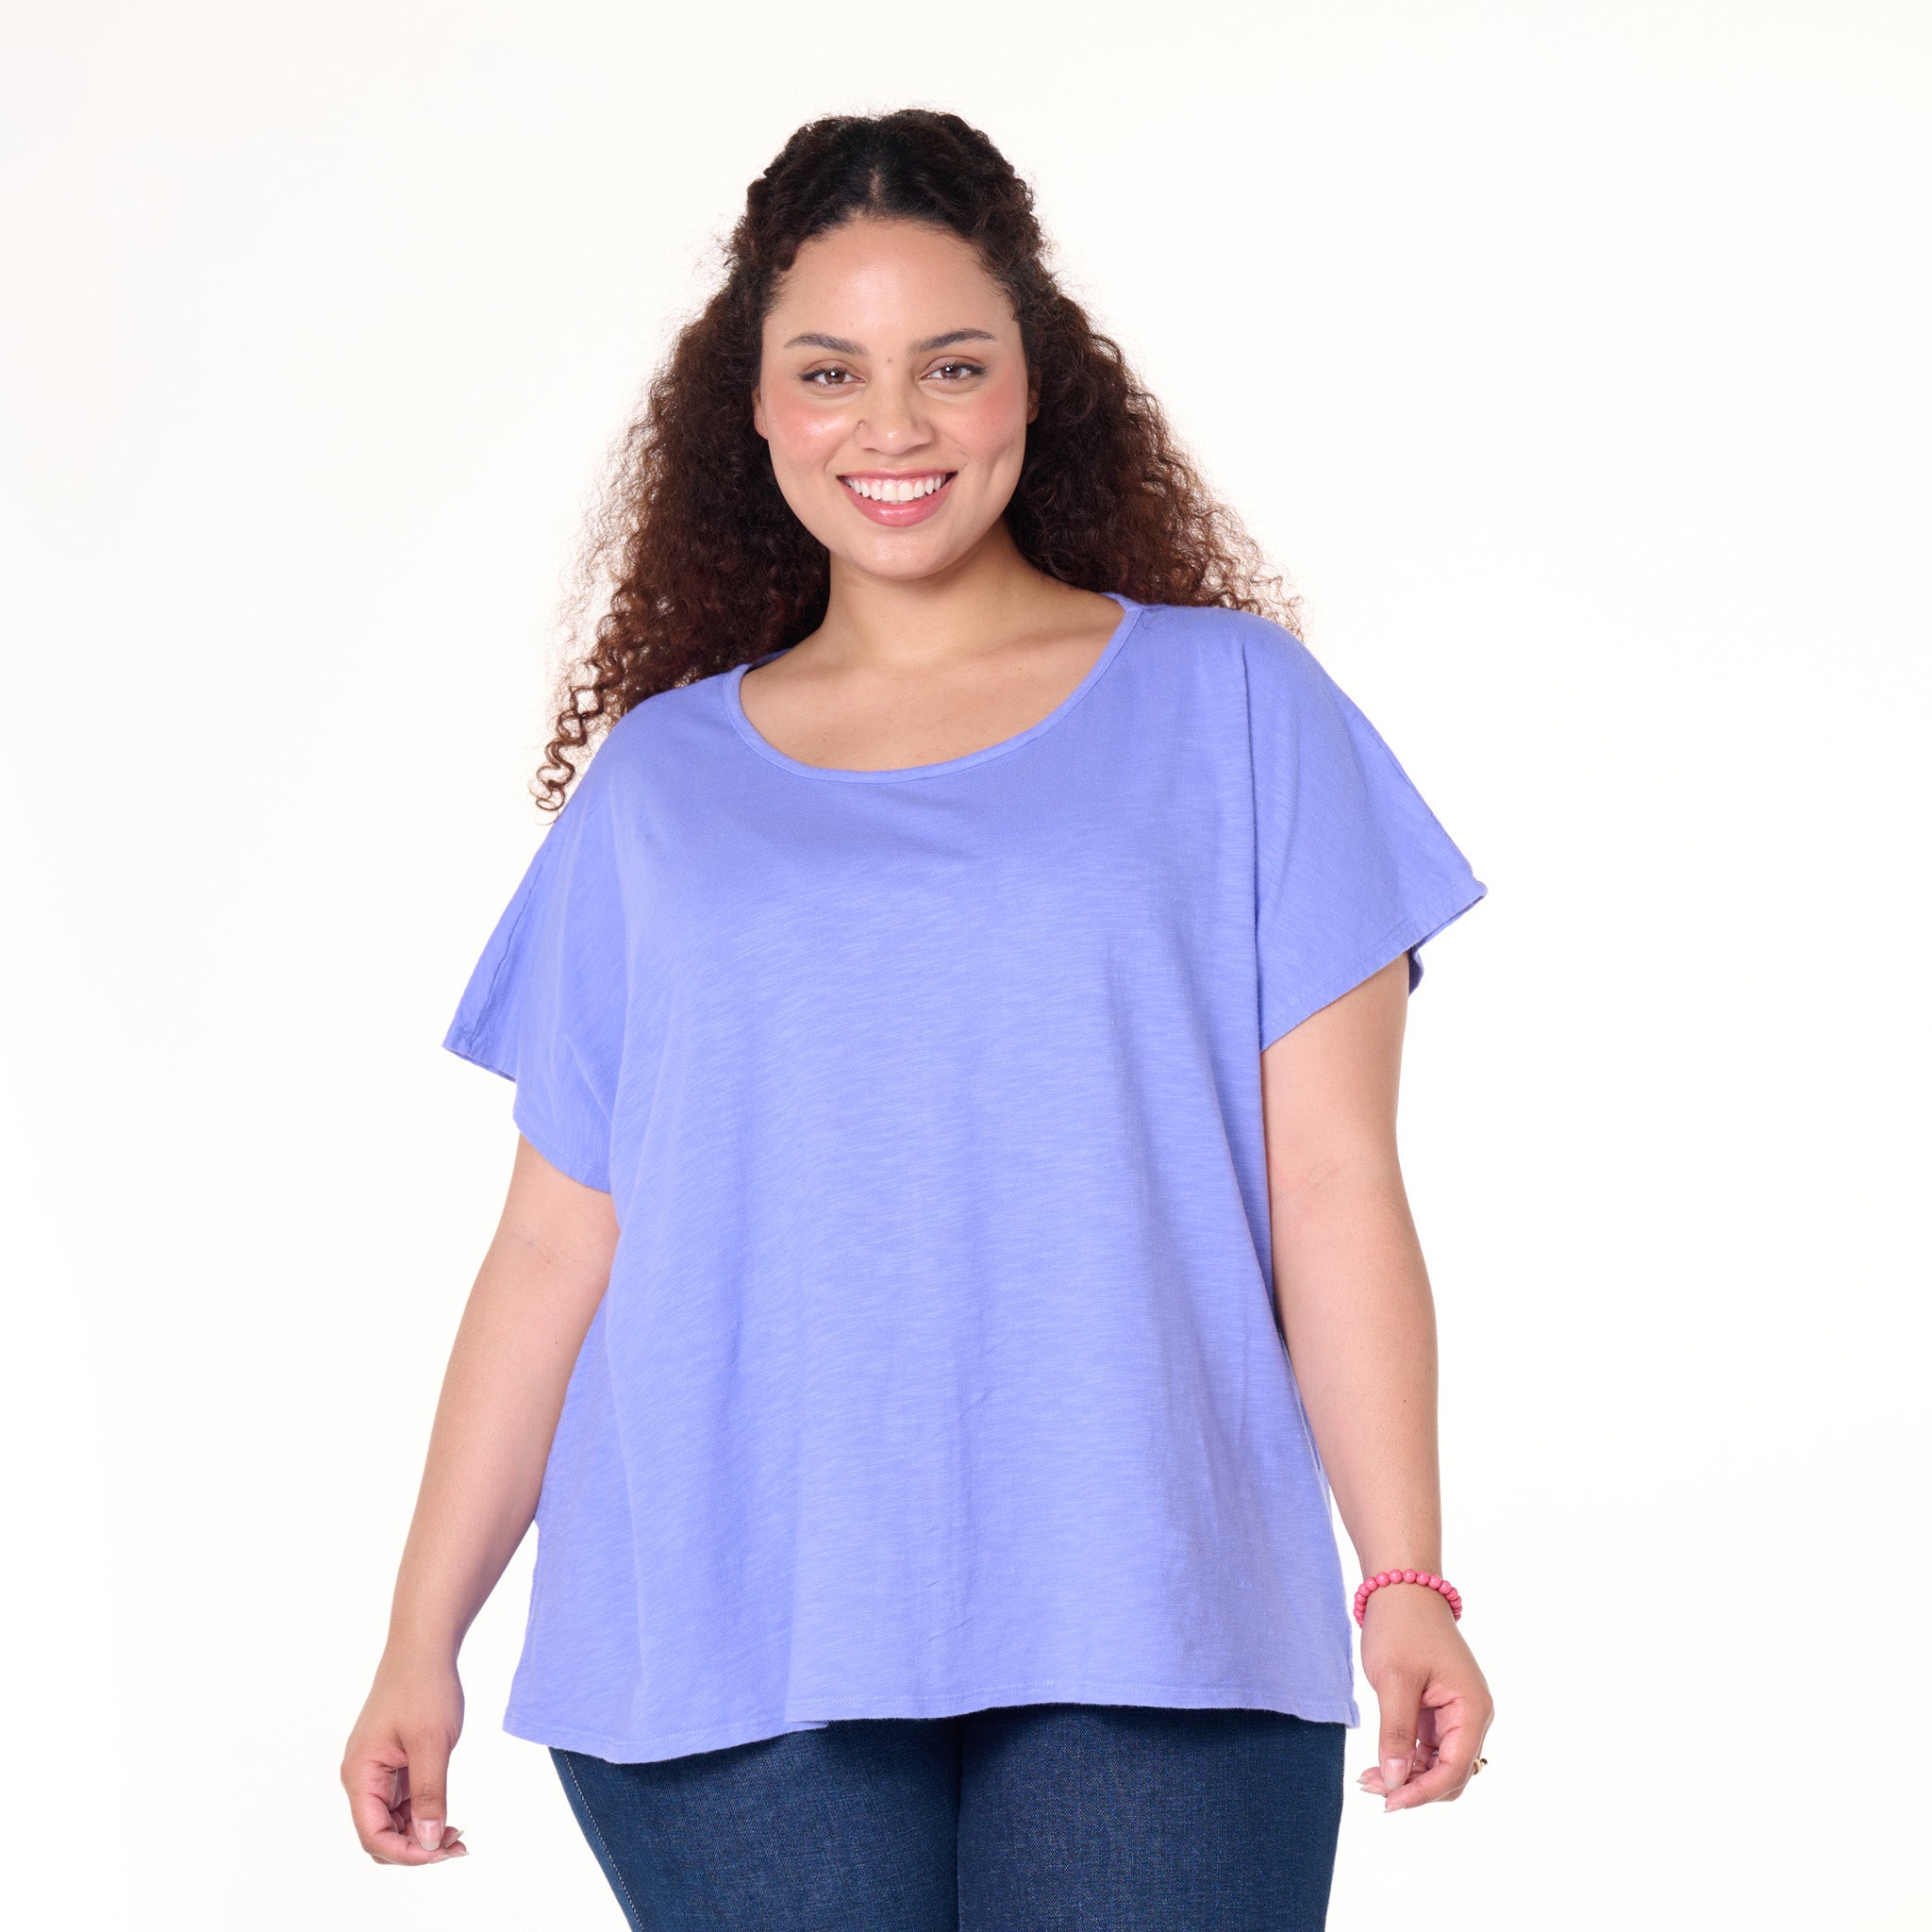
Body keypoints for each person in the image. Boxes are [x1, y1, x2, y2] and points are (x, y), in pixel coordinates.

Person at [341, 107, 1494, 1931]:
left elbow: (1335, 1185)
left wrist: (1403, 1577)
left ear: (1037, 381)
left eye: (950, 365)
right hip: (721, 1616)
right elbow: (557, 1244)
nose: (892, 425)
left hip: (1153, 1590)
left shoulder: (1239, 710)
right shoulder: (658, 787)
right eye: (831, 372)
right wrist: (423, 1636)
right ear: (754, 407)